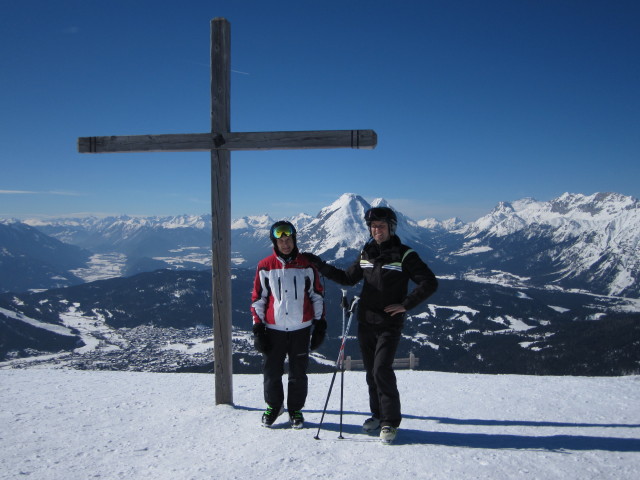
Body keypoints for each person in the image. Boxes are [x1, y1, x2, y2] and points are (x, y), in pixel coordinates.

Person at [304, 207, 437, 444]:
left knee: (381, 370)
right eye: (373, 226)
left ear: (391, 228)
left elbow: (429, 282)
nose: (377, 230)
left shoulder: (405, 255)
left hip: (389, 324)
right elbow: (348, 278)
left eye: (381, 226)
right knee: (371, 373)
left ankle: (390, 422)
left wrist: (406, 304)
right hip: (365, 321)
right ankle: (377, 415)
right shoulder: (366, 252)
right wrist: (319, 265)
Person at [251, 220, 326, 429]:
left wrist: (320, 324)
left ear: (294, 240)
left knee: (298, 373)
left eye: (289, 240)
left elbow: (317, 295)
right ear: (275, 243)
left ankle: (295, 409)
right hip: (273, 329)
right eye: (281, 240)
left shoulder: (306, 265)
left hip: (300, 328)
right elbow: (258, 298)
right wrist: (258, 328)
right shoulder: (265, 266)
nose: (285, 244)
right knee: (272, 372)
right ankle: (274, 406)